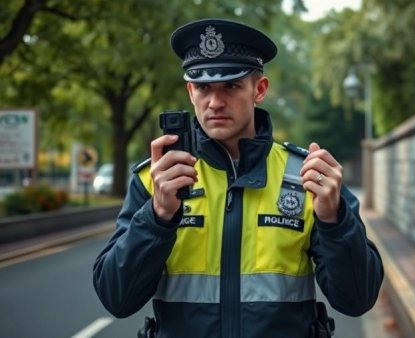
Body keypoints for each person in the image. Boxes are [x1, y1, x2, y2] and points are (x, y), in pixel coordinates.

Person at [93, 18, 384, 338]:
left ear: (259, 89)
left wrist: (334, 220)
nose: (215, 102)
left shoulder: (306, 177)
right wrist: (158, 216)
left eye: (231, 86)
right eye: (203, 87)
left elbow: (358, 300)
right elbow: (116, 299)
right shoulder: (155, 181)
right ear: (191, 92)